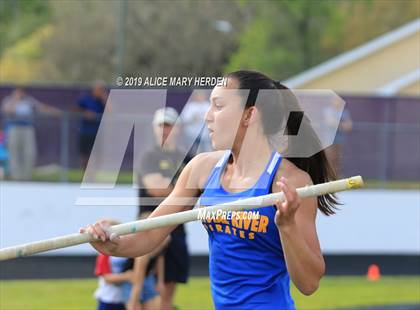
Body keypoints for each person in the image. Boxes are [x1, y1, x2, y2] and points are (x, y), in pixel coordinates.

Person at [81, 70, 339, 310]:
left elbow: (309, 283)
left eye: (218, 106)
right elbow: (148, 236)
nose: (207, 116)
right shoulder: (202, 168)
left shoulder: (291, 182)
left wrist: (287, 226)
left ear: (249, 115)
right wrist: (108, 242)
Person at [136, 107, 191, 310]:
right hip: (150, 226)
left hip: (176, 228)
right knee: (143, 292)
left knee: (168, 293)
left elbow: (195, 192)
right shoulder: (148, 156)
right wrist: (183, 188)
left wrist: (180, 190)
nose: (163, 130)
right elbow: (157, 189)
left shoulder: (187, 157)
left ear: (177, 128)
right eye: (160, 125)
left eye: (168, 125)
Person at [0, 87, 60, 180]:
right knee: (13, 153)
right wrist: (15, 99)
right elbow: (7, 110)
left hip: (27, 128)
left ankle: (26, 176)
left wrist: (55, 111)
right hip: (14, 128)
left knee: (30, 152)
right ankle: (16, 176)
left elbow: (41, 107)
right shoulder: (8, 100)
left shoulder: (29, 100)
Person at [76, 82, 108, 170]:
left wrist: (105, 99)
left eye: (102, 90)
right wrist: (85, 113)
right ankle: (85, 174)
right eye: (99, 89)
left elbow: (111, 112)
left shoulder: (102, 101)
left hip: (98, 133)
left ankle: (95, 174)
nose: (100, 91)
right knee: (84, 155)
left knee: (98, 155)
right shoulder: (85, 99)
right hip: (85, 132)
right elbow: (75, 110)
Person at [324, 98, 353, 177]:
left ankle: (336, 176)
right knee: (329, 159)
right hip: (329, 140)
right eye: (335, 100)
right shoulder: (328, 111)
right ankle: (328, 176)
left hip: (340, 140)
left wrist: (337, 124)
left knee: (338, 159)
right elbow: (330, 123)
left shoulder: (344, 112)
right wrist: (342, 125)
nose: (337, 102)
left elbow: (349, 126)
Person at [181, 90, 212, 154]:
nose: (201, 96)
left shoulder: (208, 105)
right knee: (194, 153)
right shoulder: (190, 106)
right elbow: (183, 119)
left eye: (202, 95)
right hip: (192, 135)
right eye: (199, 95)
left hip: (206, 135)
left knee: (208, 152)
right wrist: (193, 118)